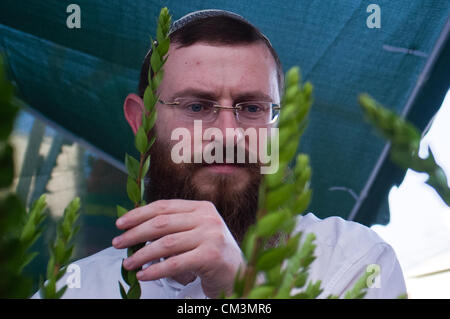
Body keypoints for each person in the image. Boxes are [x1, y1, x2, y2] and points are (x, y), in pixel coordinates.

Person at [32, 9, 406, 299]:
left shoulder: (354, 262)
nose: (228, 134)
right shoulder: (78, 289)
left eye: (253, 108)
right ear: (142, 122)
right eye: (196, 107)